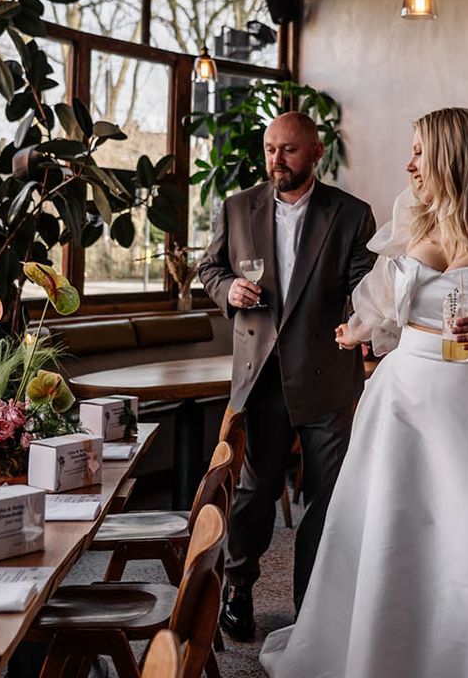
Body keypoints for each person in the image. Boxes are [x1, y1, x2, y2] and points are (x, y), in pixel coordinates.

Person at [260, 107, 468, 678]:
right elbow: (386, 297)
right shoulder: (418, 222)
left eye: (419, 151)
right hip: (400, 396)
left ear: (452, 155)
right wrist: (357, 329)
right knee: (391, 525)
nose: (409, 163)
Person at [198, 112, 376, 641]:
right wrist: (228, 290)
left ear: (316, 152)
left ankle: (312, 605)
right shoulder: (236, 208)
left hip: (326, 375)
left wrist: (360, 320)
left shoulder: (351, 214)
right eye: (271, 149)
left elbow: (364, 284)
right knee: (256, 488)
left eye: (290, 150)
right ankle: (238, 587)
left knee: (326, 495)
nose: (277, 159)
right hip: (263, 376)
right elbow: (210, 269)